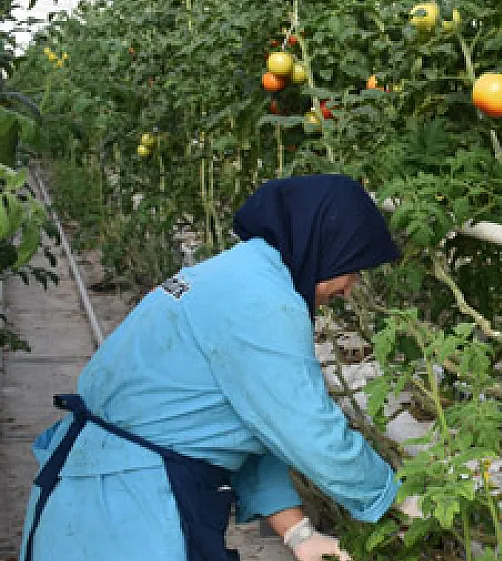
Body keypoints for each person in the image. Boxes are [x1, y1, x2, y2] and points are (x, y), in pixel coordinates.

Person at [19, 174, 405, 561]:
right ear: (329, 245)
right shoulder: (264, 303)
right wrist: (397, 495)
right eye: (354, 268)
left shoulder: (238, 272)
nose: (351, 286)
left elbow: (254, 427)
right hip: (133, 507)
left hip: (97, 485)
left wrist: (299, 536)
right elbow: (310, 432)